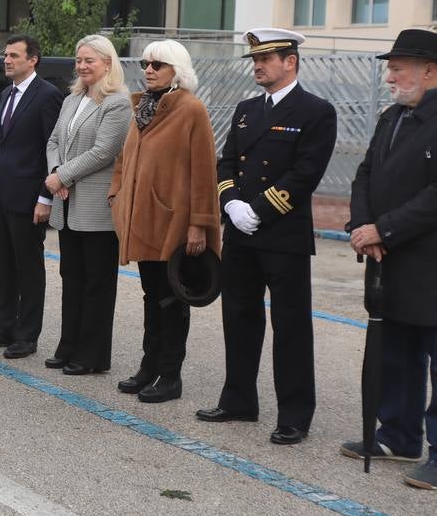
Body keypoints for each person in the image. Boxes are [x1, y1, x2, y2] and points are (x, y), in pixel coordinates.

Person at [197, 29, 337, 446]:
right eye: (255, 59)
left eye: (267, 59)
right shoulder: (245, 110)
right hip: (241, 233)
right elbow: (225, 163)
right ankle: (238, 399)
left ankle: (294, 414)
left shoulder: (315, 111)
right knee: (238, 317)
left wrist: (257, 209)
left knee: (291, 325)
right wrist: (232, 207)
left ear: (290, 62)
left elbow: (306, 173)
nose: (257, 66)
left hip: (282, 234)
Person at [343, 28, 437, 490]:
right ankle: (398, 435)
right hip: (389, 258)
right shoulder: (392, 117)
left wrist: (386, 228)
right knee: (396, 353)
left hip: (429, 262)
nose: (390, 77)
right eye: (390, 68)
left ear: (431, 71)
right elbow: (365, 175)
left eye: (398, 68)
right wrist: (363, 228)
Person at [108, 40, 219, 404]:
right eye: (146, 63)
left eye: (159, 64)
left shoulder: (191, 110)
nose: (149, 70)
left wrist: (199, 225)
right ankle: (148, 366)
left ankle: (170, 375)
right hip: (142, 219)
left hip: (174, 222)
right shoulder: (142, 108)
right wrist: (117, 196)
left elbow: (204, 173)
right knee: (151, 295)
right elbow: (125, 160)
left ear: (178, 70)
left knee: (172, 299)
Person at [39, 35, 132, 376]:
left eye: (89, 60)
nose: (82, 66)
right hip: (67, 205)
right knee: (72, 278)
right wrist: (55, 172)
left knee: (97, 284)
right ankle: (68, 346)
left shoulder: (117, 103)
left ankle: (91, 355)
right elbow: (53, 140)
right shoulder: (72, 98)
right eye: (79, 60)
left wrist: (62, 176)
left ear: (107, 63)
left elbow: (104, 151)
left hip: (96, 208)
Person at [0, 34, 64, 359]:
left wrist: (45, 197)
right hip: (0, 191)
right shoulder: (8, 92)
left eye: (13, 55)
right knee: (2, 264)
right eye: (5, 55)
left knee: (29, 268)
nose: (6, 60)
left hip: (28, 196)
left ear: (32, 59)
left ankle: (26, 335)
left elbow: (51, 149)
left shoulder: (47, 95)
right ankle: (2, 327)